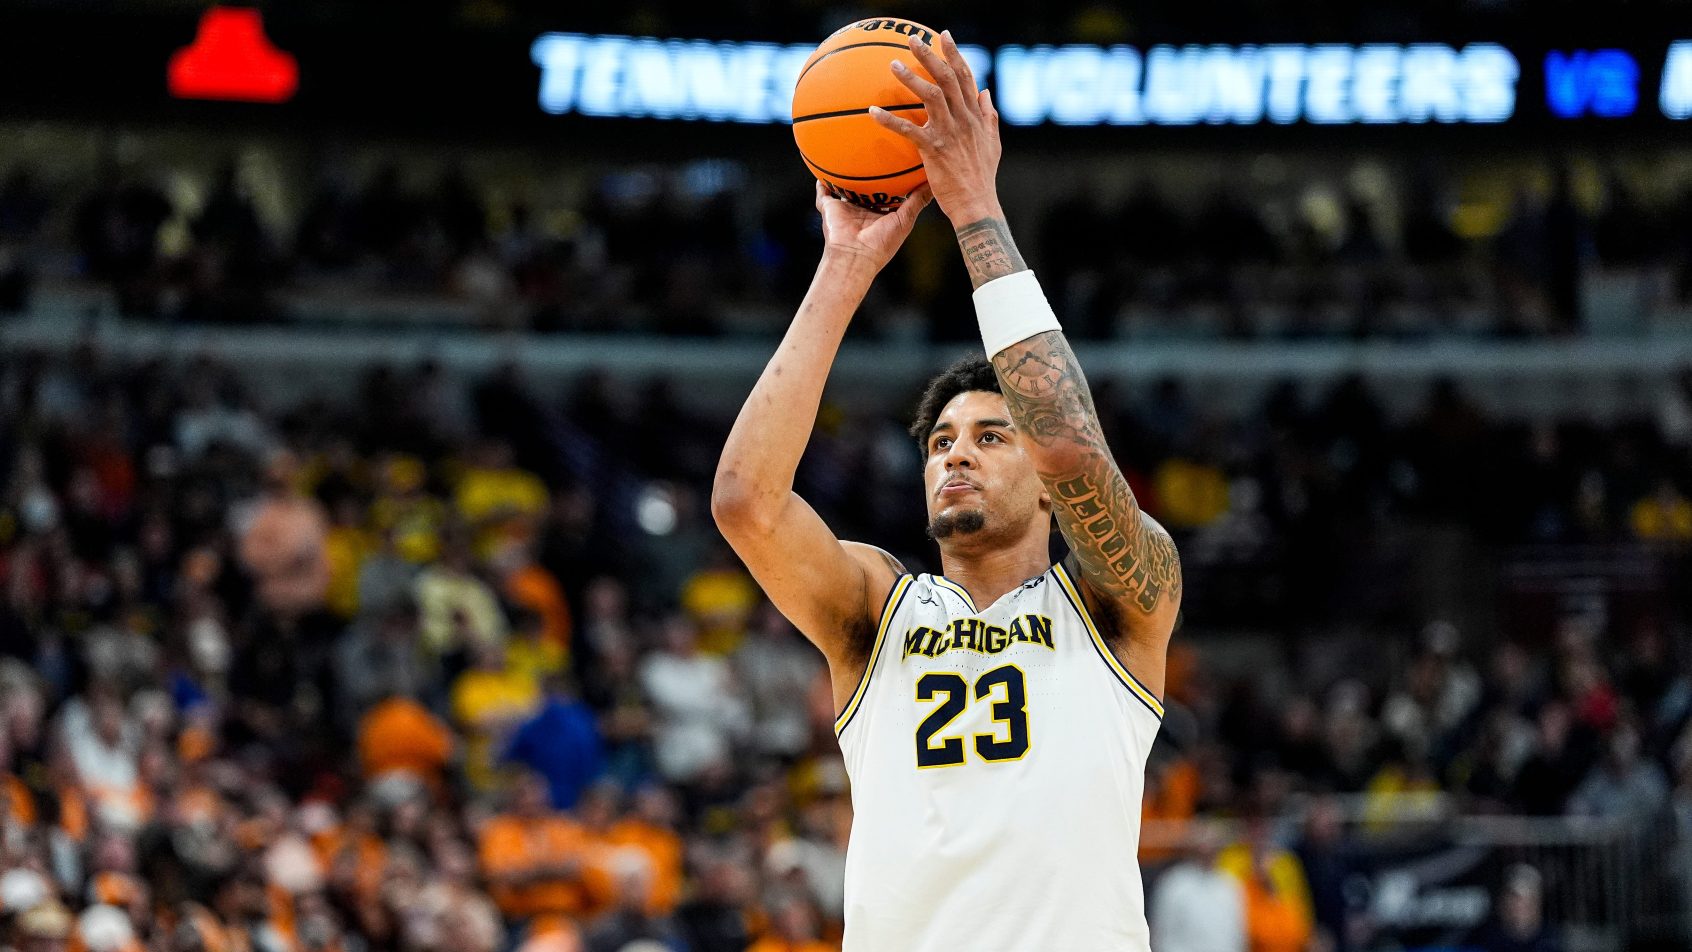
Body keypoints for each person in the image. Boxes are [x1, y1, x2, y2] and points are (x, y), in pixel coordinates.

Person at [712, 28, 1182, 952]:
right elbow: (744, 504)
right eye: (940, 441)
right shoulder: (876, 611)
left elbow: (1078, 453)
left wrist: (973, 205)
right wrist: (845, 265)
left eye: (990, 435)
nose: (955, 455)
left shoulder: (1119, 601)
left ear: (1043, 487)